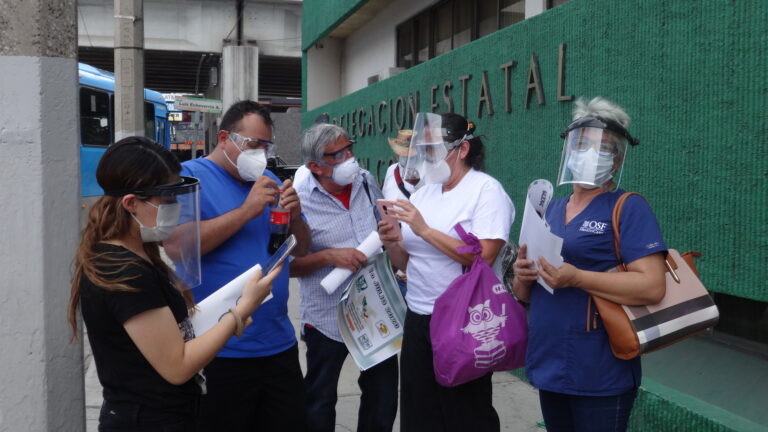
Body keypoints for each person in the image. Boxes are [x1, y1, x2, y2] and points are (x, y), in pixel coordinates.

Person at [68, 137, 282, 431]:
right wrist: (241, 309)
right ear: (131, 203)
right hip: (147, 419)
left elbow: (168, 332)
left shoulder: (135, 253)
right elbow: (177, 366)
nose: (175, 208)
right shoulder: (125, 272)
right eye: (166, 199)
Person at [512, 97, 668, 432]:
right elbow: (523, 294)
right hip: (550, 360)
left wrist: (579, 277)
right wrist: (522, 277)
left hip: (600, 368)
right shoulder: (551, 208)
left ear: (617, 160)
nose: (589, 154)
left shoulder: (627, 207)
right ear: (568, 150)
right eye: (581, 145)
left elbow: (653, 286)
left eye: (603, 148)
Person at [180, 100, 312, 431]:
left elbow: (303, 249)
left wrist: (295, 217)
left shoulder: (269, 180)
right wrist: (246, 210)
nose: (261, 155)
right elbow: (179, 245)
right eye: (253, 145)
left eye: (267, 146)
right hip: (220, 350)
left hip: (277, 346)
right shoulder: (189, 177)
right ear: (224, 138)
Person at [378, 113, 514, 432]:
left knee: (465, 412)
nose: (425, 156)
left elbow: (483, 256)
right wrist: (394, 240)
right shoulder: (425, 193)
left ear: (461, 149)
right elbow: (407, 264)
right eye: (422, 148)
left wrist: (423, 229)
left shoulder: (485, 191)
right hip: (419, 315)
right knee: (418, 411)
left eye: (432, 147)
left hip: (464, 318)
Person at [290, 123, 399, 432]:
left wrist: (390, 235)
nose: (349, 157)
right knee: (320, 399)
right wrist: (329, 257)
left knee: (383, 396)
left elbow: (383, 225)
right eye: (338, 154)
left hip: (375, 311)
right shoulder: (299, 201)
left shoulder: (365, 182)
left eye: (349, 148)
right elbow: (286, 266)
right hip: (326, 316)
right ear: (315, 165)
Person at [381, 129, 420, 300]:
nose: (404, 155)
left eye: (409, 151)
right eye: (401, 151)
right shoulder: (391, 172)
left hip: (424, 265)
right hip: (399, 267)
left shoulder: (432, 174)